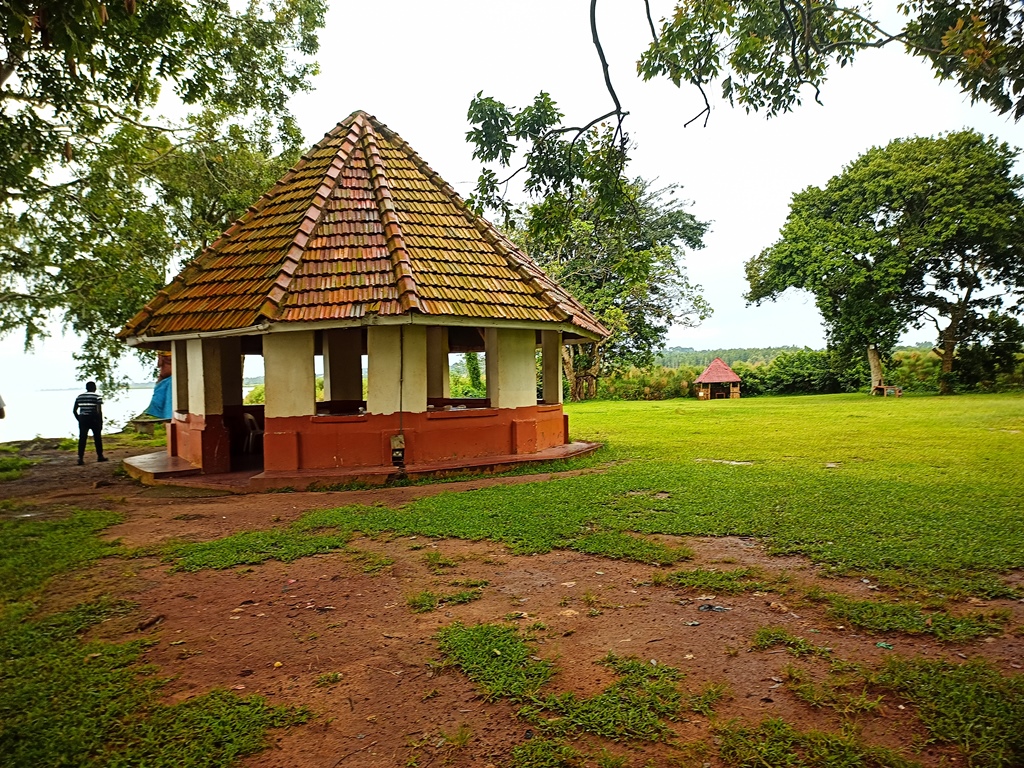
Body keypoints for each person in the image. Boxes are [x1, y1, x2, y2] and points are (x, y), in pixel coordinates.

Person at [73, 382, 107, 465]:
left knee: (82, 438)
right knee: (97, 438)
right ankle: (100, 456)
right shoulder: (97, 397)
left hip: (83, 419)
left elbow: (74, 410)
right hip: (94, 418)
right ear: (94, 388)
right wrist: (100, 422)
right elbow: (99, 411)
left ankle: (80, 458)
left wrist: (79, 419)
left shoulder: (79, 397)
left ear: (86, 388)